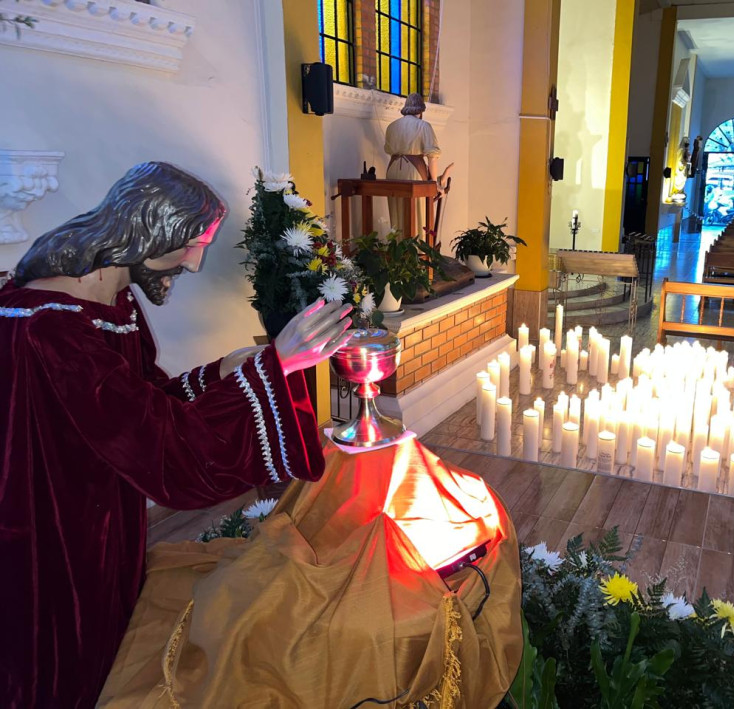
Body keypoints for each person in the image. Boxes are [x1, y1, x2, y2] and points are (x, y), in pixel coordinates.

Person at [0, 161, 352, 707]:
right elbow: (172, 454)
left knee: (105, 644)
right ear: (147, 230)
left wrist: (234, 367)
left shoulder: (111, 299)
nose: (195, 261)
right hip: (48, 529)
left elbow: (143, 403)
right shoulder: (52, 328)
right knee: (59, 664)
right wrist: (275, 365)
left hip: (97, 512)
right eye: (191, 243)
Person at [384, 92, 452, 237]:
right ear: (420, 110)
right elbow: (432, 157)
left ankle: (397, 248)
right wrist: (434, 183)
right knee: (418, 212)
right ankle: (417, 253)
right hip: (413, 170)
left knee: (397, 211)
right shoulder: (423, 126)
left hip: (393, 169)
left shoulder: (392, 127)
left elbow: (389, 150)